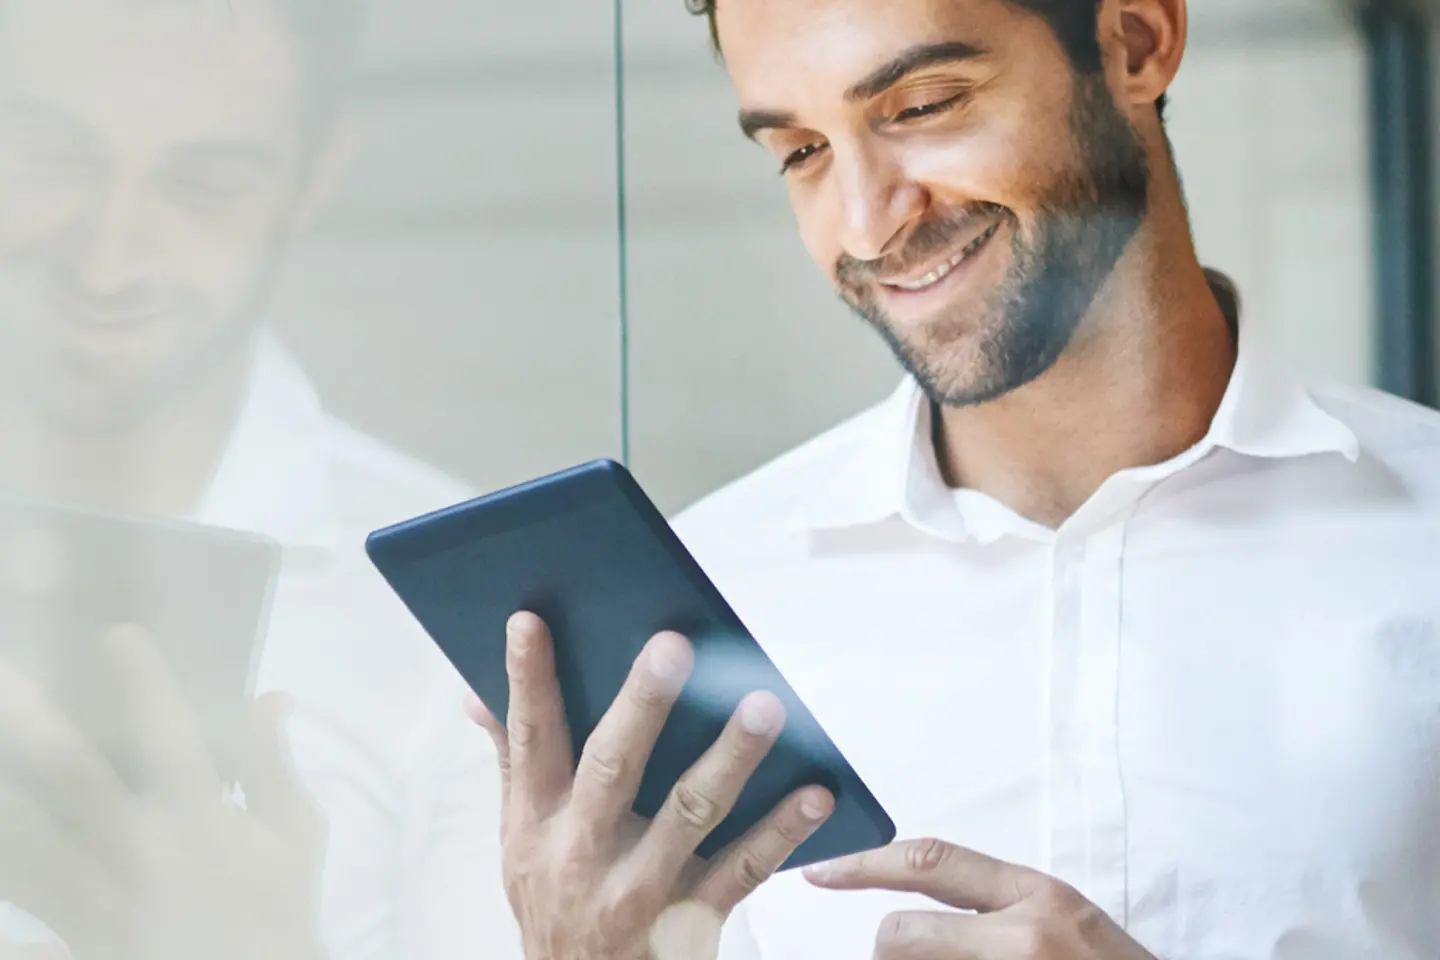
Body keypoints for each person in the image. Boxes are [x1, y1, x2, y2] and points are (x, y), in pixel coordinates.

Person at [466, 0, 1440, 957]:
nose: (865, 225)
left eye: (924, 105)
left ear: (1137, 41)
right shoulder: (708, 605)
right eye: (802, 152)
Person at [0, 1, 512, 957]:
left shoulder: (466, 613)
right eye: (51, 158)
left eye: (204, 187)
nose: (109, 262)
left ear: (314, 178)